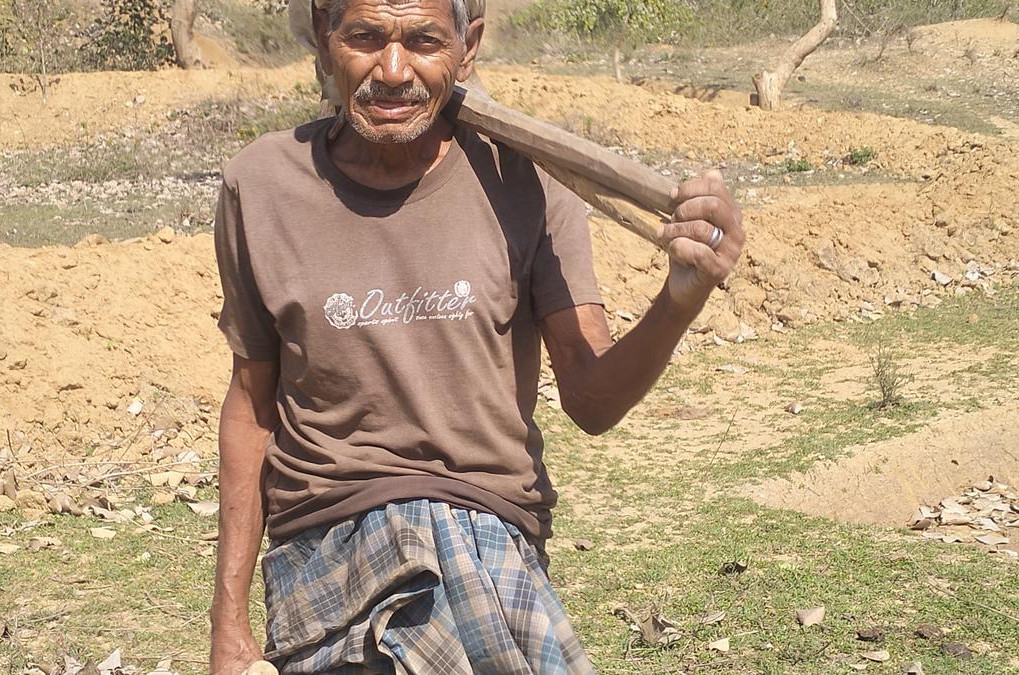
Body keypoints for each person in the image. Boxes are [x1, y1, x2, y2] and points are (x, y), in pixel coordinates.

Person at [208, 0, 744, 670]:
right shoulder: (260, 185)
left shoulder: (527, 177)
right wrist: (226, 624)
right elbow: (252, 403)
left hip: (490, 540)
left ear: (470, 44)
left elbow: (592, 397)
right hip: (327, 552)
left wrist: (678, 301)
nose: (394, 70)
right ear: (325, 38)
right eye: (366, 38)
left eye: (424, 41)